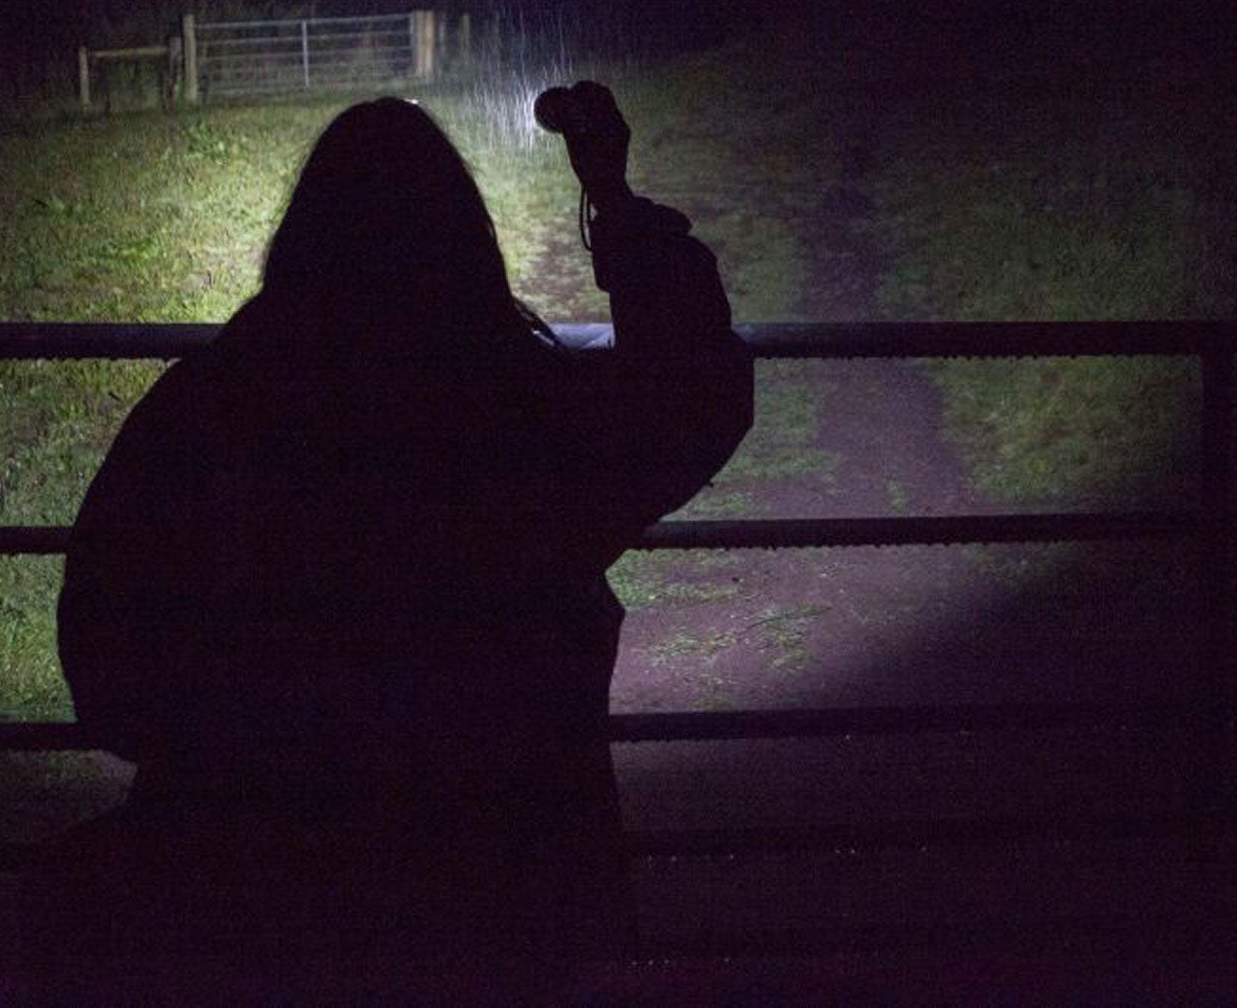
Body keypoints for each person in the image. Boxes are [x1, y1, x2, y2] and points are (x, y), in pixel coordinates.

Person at [44, 86, 751, 971]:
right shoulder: (513, 417)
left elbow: (107, 667)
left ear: (303, 242)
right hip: (511, 902)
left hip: (264, 913)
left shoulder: (210, 413)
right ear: (462, 246)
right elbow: (692, 401)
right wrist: (608, 194)